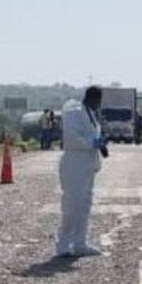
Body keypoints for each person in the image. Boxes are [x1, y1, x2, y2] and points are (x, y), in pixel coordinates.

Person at [56, 88, 108, 258]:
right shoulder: (74, 113)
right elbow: (70, 137)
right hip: (74, 164)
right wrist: (90, 143)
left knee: (84, 206)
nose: (100, 104)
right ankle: (64, 245)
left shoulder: (92, 115)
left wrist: (99, 144)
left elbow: (92, 136)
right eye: (99, 100)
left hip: (88, 166)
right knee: (71, 206)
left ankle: (80, 243)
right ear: (93, 98)